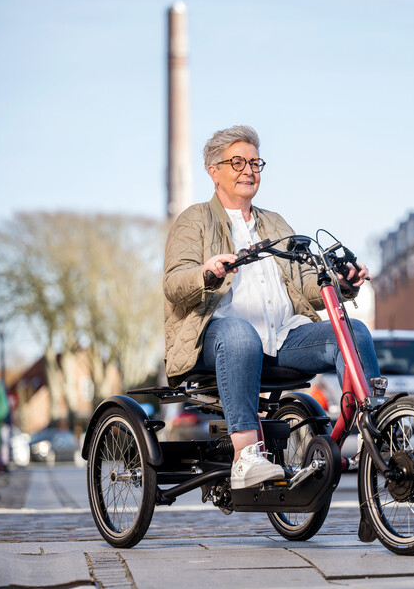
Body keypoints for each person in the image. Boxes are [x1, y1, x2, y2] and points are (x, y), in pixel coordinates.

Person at [163, 125, 380, 489]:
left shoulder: (275, 223)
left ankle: (375, 431)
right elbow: (174, 285)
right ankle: (246, 456)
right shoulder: (195, 220)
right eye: (238, 162)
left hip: (283, 339)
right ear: (214, 171)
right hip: (217, 339)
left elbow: (305, 284)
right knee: (240, 334)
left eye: (255, 163)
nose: (249, 170)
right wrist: (205, 273)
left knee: (353, 331)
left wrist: (342, 284)